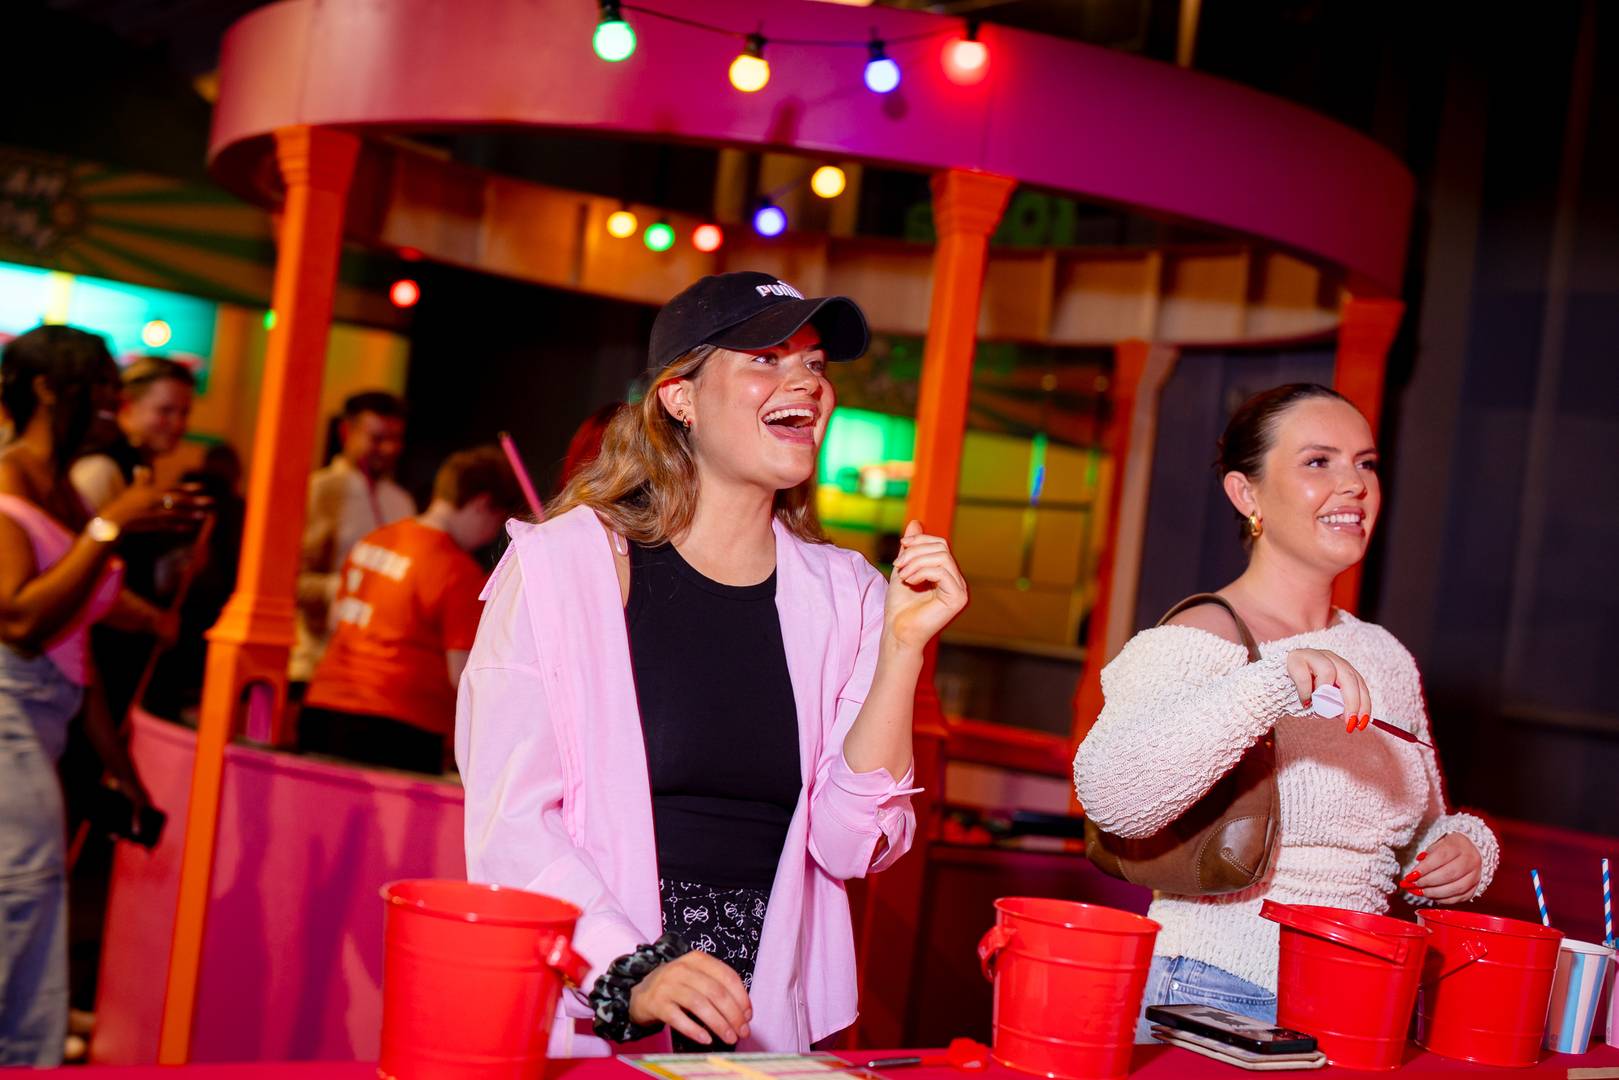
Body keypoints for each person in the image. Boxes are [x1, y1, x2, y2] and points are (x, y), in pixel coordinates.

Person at [456, 271, 968, 1055]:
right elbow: (511, 822)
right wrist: (635, 969)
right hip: (601, 999)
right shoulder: (563, 569)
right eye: (766, 356)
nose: (804, 379)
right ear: (679, 398)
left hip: (764, 1019)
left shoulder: (852, 596)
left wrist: (902, 649)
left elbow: (850, 846)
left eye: (816, 364)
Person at [1072, 383, 1499, 1039]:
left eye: (1365, 463)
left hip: (1362, 998)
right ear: (1247, 495)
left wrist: (1462, 850)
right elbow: (1111, 796)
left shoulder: (1381, 654)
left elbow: (1420, 825)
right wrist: (1272, 682)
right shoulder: (1198, 638)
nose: (1353, 485)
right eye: (1317, 462)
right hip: (1214, 987)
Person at [0, 326, 195, 1065]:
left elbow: (79, 656)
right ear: (50, 391)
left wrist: (121, 766)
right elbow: (19, 619)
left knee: (32, 910)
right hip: (7, 712)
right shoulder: (12, 480)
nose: (114, 412)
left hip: (47, 715)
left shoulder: (62, 488)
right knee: (21, 902)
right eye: (102, 395)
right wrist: (113, 527)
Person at [300, 446, 523, 774]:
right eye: (496, 523)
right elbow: (461, 676)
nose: (490, 537)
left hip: (322, 708)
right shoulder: (457, 571)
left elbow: (336, 621)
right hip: (399, 727)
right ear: (482, 505)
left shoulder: (375, 540)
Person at [291, 391, 414, 687]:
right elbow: (289, 580)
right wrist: (345, 588)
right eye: (377, 438)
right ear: (347, 432)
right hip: (313, 659)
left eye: (395, 439)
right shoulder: (318, 491)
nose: (388, 449)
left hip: (375, 666)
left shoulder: (402, 502)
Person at [69, 355, 195, 512]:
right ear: (127, 404)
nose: (178, 425)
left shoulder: (137, 462)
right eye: (165, 411)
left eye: (184, 413)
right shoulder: (101, 469)